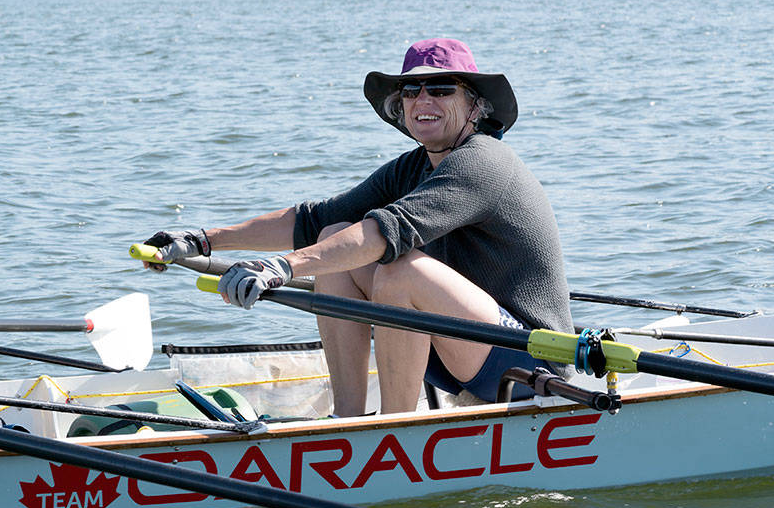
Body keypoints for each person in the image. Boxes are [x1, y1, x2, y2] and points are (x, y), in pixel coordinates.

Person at [141, 37, 572, 417]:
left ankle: (395, 427)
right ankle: (348, 417)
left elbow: (386, 231)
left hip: (529, 360)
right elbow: (313, 220)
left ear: (475, 106)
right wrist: (200, 240)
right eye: (411, 90)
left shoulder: (483, 161)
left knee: (398, 271)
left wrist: (282, 268)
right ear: (400, 106)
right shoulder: (412, 168)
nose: (423, 100)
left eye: (441, 89)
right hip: (460, 348)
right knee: (333, 238)